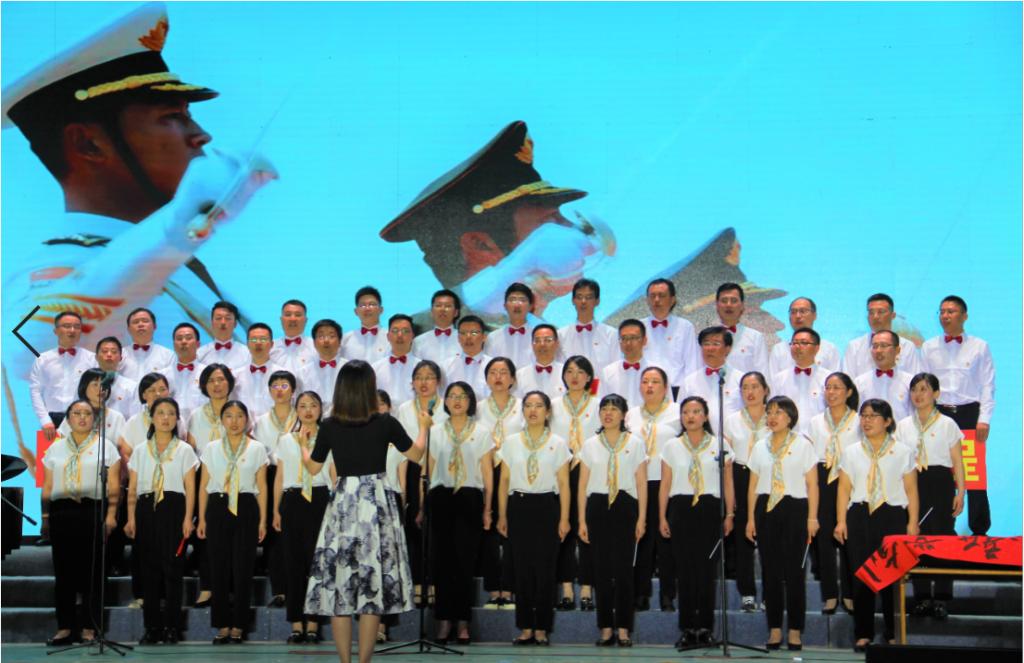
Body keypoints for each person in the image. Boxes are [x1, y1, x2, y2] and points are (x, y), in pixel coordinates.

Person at [1, 2, 274, 379]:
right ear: (88, 144)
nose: (201, 135)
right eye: (172, 117)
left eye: (188, 115)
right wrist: (174, 229)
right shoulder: (64, 267)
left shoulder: (176, 268)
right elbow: (25, 348)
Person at [379, 120, 603, 319]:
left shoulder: (546, 336)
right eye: (550, 222)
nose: (571, 229)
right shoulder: (420, 336)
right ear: (480, 244)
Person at [302, 360, 430, 663]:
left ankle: (346, 661)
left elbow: (314, 468)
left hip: (344, 502)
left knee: (340, 587)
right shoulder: (385, 422)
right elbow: (416, 453)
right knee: (372, 590)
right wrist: (424, 427)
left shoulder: (330, 425)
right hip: (376, 501)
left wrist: (303, 446)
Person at [835, 399, 920, 652]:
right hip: (859, 514)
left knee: (892, 576)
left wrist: (912, 522)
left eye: (873, 416)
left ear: (888, 421)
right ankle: (863, 633)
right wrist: (841, 521)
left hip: (891, 514)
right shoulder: (851, 451)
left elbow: (911, 490)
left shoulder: (903, 451)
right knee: (861, 575)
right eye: (863, 416)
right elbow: (844, 489)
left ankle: (893, 632)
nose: (867, 420)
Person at [42, 399, 119, 646]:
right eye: (77, 413)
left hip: (91, 510)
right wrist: (45, 517)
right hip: (62, 512)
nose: (82, 417)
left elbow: (114, 486)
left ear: (94, 419)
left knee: (92, 573)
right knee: (63, 572)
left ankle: (89, 626)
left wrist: (111, 515)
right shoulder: (55, 448)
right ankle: (65, 627)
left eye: (87, 413)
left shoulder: (105, 446)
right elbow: (47, 486)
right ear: (68, 419)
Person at [659, 396, 735, 648]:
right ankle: (687, 628)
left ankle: (705, 628)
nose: (690, 416)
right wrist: (662, 516)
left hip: (709, 508)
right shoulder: (672, 446)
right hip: (680, 509)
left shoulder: (719, 444)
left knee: (706, 572)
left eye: (696, 411)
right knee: (685, 572)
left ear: (705, 416)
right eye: (686, 412)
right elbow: (665, 484)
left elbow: (728, 483)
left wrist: (730, 514)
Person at [497, 391, 571, 645]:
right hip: (519, 506)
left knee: (545, 570)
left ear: (548, 412)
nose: (533, 410)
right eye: (528, 405)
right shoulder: (512, 442)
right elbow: (504, 480)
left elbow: (564, 483)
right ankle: (526, 627)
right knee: (522, 569)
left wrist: (564, 518)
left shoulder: (558, 443)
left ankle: (542, 628)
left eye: (539, 405)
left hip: (547, 507)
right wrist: (502, 515)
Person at [745, 396, 818, 651]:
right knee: (770, 572)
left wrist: (812, 517)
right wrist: (750, 518)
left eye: (778, 412)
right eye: (770, 412)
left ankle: (795, 630)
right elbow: (753, 486)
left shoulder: (803, 445)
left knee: (795, 573)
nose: (772, 417)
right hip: (766, 508)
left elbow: (812, 484)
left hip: (795, 507)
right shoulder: (759, 446)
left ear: (790, 417)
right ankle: (774, 628)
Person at [425, 382, 495, 644]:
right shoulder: (434, 431)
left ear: (470, 401)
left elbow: (487, 474)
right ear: (445, 401)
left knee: (465, 562)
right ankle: (443, 620)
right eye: (452, 396)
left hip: (469, 497)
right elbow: (428, 470)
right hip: (441, 497)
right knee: (442, 562)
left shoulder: (482, 432)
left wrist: (487, 509)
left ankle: (463, 622)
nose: (457, 400)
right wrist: (422, 507)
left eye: (462, 396)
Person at [124, 396, 197, 644]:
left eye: (171, 413)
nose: (166, 418)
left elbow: (190, 488)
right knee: (149, 571)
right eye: (161, 413)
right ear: (152, 418)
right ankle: (152, 627)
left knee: (173, 570)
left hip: (174, 508)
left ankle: (172, 627)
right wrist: (131, 518)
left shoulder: (184, 450)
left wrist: (188, 518)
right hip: (146, 509)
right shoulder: (140, 450)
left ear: (177, 419)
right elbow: (133, 489)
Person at [921, 295, 995, 536]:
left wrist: (984, 418)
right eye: (942, 311)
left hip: (969, 413)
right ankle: (941, 528)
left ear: (964, 316)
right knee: (941, 472)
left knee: (974, 475)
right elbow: (924, 384)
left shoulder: (980, 346)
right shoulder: (929, 346)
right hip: (939, 413)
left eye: (951, 311)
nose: (945, 316)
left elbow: (987, 385)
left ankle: (979, 531)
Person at [577, 394, 647, 647]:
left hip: (626, 506)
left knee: (624, 571)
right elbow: (582, 485)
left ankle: (624, 629)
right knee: (602, 571)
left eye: (614, 409)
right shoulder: (590, 444)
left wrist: (642, 518)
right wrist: (582, 520)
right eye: (604, 409)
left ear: (624, 414)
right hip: (597, 506)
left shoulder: (635, 443)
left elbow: (641, 483)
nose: (608, 413)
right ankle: (606, 628)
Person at [197, 399, 269, 644]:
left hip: (246, 506)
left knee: (243, 568)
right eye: (229, 416)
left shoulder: (257, 448)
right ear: (222, 420)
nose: (234, 421)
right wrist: (201, 517)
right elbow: (204, 485)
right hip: (218, 506)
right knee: (218, 567)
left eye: (239, 416)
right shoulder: (212, 448)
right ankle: (222, 624)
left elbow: (262, 486)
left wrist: (262, 520)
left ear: (247, 420)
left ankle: (239, 624)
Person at [897, 373, 965, 619]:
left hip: (940, 482)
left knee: (943, 539)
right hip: (913, 482)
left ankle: (942, 598)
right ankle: (923, 597)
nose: (918, 394)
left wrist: (961, 492)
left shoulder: (947, 424)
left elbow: (957, 461)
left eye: (924, 389)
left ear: (936, 394)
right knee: (917, 538)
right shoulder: (903, 425)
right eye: (914, 389)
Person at [272, 390, 336, 643]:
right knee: (293, 563)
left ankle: (313, 623)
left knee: (317, 563)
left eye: (313, 405)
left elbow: (334, 473)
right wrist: (276, 510)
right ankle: (296, 623)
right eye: (303, 406)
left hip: (320, 499)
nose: (308, 410)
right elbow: (280, 476)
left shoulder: (329, 438)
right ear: (296, 410)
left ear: (321, 409)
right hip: (293, 499)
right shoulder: (286, 440)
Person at [625, 367, 680, 612]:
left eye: (655, 381)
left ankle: (668, 594)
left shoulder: (677, 412)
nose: (649, 386)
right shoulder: (631, 415)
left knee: (666, 539)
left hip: (668, 481)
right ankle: (640, 593)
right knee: (641, 538)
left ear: (666, 387)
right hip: (639, 482)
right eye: (645, 381)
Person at [393, 360, 447, 608]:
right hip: (413, 468)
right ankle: (416, 583)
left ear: (438, 381)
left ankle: (434, 583)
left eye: (429, 377)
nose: (424, 382)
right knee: (414, 529)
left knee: (437, 529)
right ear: (412, 382)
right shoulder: (405, 409)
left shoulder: (446, 406)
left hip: (441, 468)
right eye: (419, 377)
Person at [806, 372, 860, 615]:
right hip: (822, 477)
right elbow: (809, 455)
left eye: (837, 387)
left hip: (851, 477)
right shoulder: (816, 421)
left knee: (850, 538)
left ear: (849, 392)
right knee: (824, 540)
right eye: (828, 387)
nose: (831, 392)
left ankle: (849, 594)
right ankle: (829, 595)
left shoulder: (859, 420)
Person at [549, 356, 599, 611]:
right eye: (569, 371)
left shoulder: (600, 405)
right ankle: (567, 587)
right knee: (563, 529)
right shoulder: (553, 405)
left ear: (589, 376)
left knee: (587, 528)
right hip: (561, 470)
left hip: (590, 471)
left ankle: (588, 586)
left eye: (580, 371)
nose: (575, 376)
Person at [475, 357, 523, 608]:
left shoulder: (523, 406)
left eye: (504, 372)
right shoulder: (478, 408)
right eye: (493, 372)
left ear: (513, 379)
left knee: (513, 529)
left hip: (514, 472)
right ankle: (494, 589)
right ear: (486, 379)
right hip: (486, 471)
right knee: (489, 531)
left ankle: (511, 589)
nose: (498, 377)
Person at [722, 371, 769, 612]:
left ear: (765, 390)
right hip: (741, 476)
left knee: (769, 538)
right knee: (742, 539)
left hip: (768, 477)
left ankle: (770, 593)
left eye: (755, 387)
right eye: (745, 388)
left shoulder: (775, 416)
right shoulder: (732, 420)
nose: (750, 392)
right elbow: (727, 462)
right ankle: (747, 593)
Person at [252, 370, 299, 610]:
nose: (280, 390)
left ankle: (298, 588)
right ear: (269, 391)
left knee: (295, 532)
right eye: (275, 386)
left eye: (284, 385)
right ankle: (279, 589)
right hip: (269, 475)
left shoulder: (302, 416)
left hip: (297, 475)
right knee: (273, 533)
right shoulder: (260, 421)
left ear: (293, 390)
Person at [29, 311, 97, 440]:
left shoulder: (91, 359)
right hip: (51, 422)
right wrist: (45, 420)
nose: (72, 330)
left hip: (83, 419)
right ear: (56, 331)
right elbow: (35, 391)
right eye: (67, 326)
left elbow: (96, 392)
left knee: (84, 454)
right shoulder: (43, 359)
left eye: (77, 327)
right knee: (50, 453)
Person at [842, 293, 923, 378]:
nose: (875, 316)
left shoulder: (907, 346)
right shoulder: (854, 347)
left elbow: (914, 381)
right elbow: (847, 381)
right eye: (871, 312)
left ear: (893, 315)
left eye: (881, 312)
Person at [641, 279, 701, 390]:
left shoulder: (685, 326)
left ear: (672, 300)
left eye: (661, 296)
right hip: (645, 389)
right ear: (647, 300)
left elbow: (692, 363)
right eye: (652, 296)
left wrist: (691, 392)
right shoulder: (638, 327)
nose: (656, 300)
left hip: (676, 389)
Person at [770, 327, 827, 435]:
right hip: (788, 438)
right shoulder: (779, 379)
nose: (797, 347)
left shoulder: (827, 379)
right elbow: (772, 411)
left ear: (817, 348)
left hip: (819, 438)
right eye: (794, 343)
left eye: (803, 343)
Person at [681, 326, 742, 418]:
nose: (710, 348)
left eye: (716, 344)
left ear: (728, 349)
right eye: (706, 344)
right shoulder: (689, 381)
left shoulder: (740, 379)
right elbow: (681, 413)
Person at [557, 278, 619, 370]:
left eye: (589, 297)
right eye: (579, 297)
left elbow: (616, 367)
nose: (583, 301)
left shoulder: (611, 334)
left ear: (597, 301)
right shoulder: (561, 335)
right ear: (573, 300)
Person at [768, 298, 840, 375]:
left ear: (814, 315)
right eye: (793, 312)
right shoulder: (779, 349)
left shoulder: (829, 349)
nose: (798, 316)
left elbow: (837, 380)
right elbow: (773, 380)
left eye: (803, 311)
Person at [854, 330, 913, 421]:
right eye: (875, 346)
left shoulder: (910, 382)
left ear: (897, 350)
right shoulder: (860, 382)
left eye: (884, 346)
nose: (878, 350)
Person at [715, 283, 768, 375]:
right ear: (717, 305)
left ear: (742, 306)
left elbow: (762, 373)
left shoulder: (755, 337)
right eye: (724, 300)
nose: (728, 305)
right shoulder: (706, 338)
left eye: (734, 301)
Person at [234, 323, 285, 417]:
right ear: (247, 344)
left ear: (272, 344)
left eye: (263, 339)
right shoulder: (235, 376)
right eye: (253, 339)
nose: (258, 343)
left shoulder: (284, 375)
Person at [483, 283, 536, 369]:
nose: (517, 305)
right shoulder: (493, 337)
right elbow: (488, 368)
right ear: (505, 306)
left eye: (522, 300)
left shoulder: (538, 337)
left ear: (531, 306)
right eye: (512, 300)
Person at [371, 314, 420, 406]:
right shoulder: (375, 368)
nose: (400, 335)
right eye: (395, 331)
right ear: (388, 336)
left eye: (405, 331)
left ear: (412, 336)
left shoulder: (421, 368)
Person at [163, 322, 207, 422]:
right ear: (173, 345)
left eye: (188, 338)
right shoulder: (163, 376)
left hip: (201, 426)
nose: (183, 341)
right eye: (179, 338)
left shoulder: (208, 374)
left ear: (198, 344)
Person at [598, 319, 650, 400]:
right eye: (624, 338)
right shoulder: (607, 372)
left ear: (644, 340)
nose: (628, 343)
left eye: (633, 338)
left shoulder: (656, 371)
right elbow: (601, 402)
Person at [186, 364, 233, 452]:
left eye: (221, 379)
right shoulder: (196, 415)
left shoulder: (240, 412)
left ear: (229, 382)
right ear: (204, 385)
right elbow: (190, 451)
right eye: (211, 381)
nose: (216, 384)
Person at [443, 315, 492, 399]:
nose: (468, 337)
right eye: (463, 333)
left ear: (484, 337)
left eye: (474, 333)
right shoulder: (446, 366)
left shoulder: (493, 366)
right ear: (458, 338)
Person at [122, 308, 175, 381]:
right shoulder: (120, 355)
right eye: (136, 322)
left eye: (145, 321)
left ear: (154, 326)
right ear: (129, 329)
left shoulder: (168, 355)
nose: (140, 324)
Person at [300, 319, 345, 406]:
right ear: (314, 343)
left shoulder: (349, 369)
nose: (326, 340)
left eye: (331, 336)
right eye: (321, 337)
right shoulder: (303, 373)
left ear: (340, 341)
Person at [95, 336, 140, 420]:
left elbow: (135, 418)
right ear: (96, 357)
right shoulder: (86, 383)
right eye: (104, 351)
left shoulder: (132, 387)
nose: (109, 354)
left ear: (120, 358)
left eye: (114, 352)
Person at [412, 289, 462, 365]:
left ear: (456, 312)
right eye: (438, 306)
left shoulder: (465, 339)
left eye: (448, 306)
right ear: (432, 311)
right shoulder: (418, 341)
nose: (442, 309)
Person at [514, 325, 565, 399]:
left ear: (557, 343)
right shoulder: (520, 375)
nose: (542, 344)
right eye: (537, 341)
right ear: (532, 345)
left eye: (548, 340)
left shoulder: (566, 373)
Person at [198, 301, 252, 371]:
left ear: (235, 323)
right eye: (218, 318)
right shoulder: (200, 353)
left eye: (228, 318)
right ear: (212, 323)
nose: (223, 322)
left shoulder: (247, 353)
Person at [341, 287, 389, 363]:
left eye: (372, 304)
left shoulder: (390, 338)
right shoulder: (346, 339)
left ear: (381, 310)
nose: (367, 309)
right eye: (362, 305)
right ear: (356, 311)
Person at [270, 300, 319, 375]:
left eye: (298, 315)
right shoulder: (270, 347)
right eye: (288, 315)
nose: (292, 319)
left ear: (305, 320)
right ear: (281, 319)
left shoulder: (316, 347)